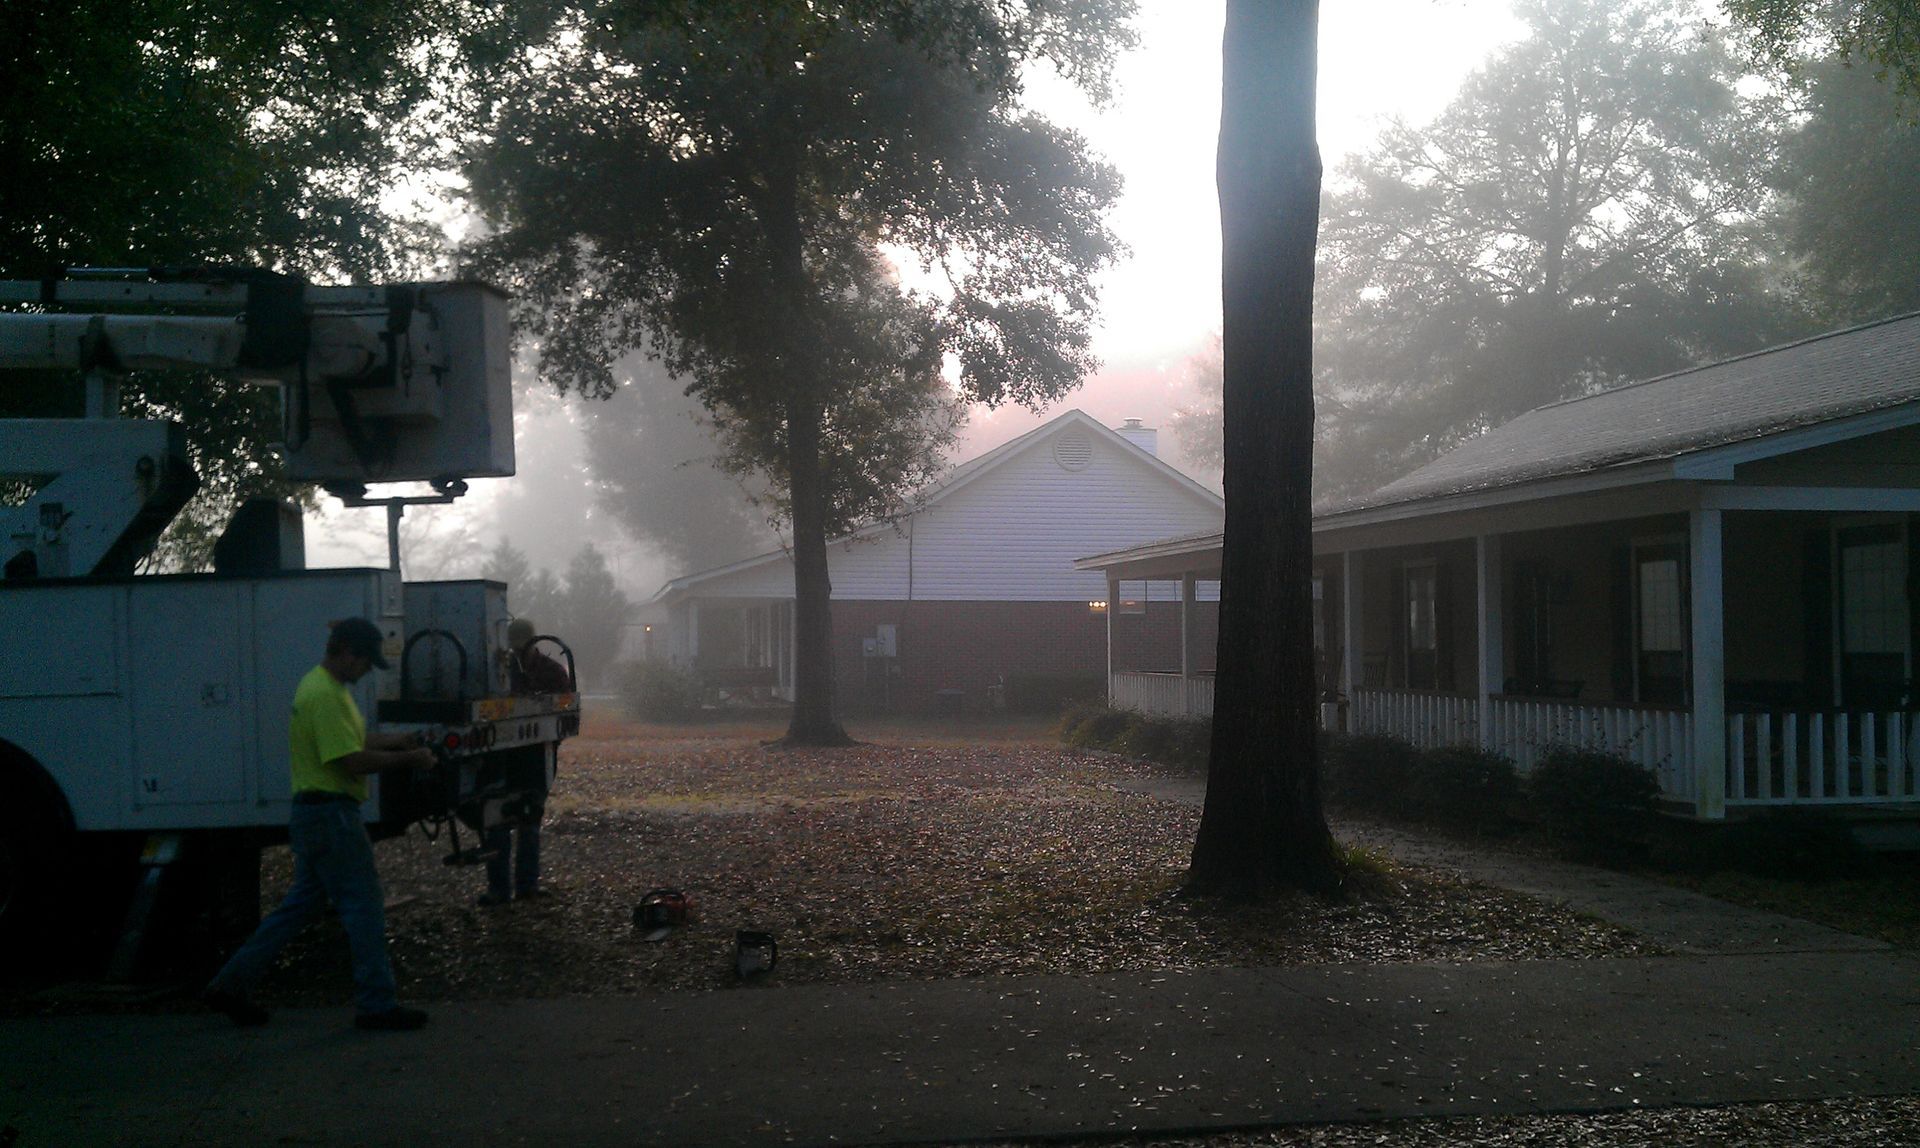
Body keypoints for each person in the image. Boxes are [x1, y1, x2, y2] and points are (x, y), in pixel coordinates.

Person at [203, 617, 437, 1031]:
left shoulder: (322, 687)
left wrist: (396, 741)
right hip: (333, 816)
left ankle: (230, 985)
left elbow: (354, 741)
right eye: (365, 662)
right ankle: (376, 1005)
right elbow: (349, 761)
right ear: (347, 653)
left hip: (314, 815)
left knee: (297, 908)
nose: (367, 671)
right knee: (364, 907)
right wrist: (410, 760)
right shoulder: (325, 695)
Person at [477, 618, 569, 906]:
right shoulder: (497, 675)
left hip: (535, 758)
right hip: (501, 759)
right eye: (514, 650)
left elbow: (564, 716)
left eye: (522, 649)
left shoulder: (552, 672)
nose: (518, 655)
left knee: (529, 821)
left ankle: (526, 886)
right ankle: (499, 889)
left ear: (534, 643)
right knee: (497, 822)